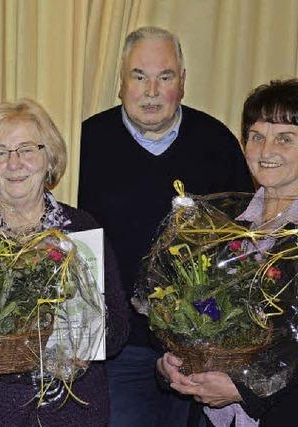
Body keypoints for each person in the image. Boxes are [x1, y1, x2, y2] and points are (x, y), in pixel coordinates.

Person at [77, 26, 254, 426]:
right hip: (120, 351)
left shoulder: (217, 142)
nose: (151, 90)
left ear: (183, 82)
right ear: (120, 83)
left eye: (165, 76)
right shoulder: (87, 142)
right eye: (139, 76)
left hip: (209, 348)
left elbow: (245, 244)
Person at [0, 99, 129, 426]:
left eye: (27, 149)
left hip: (68, 411)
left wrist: (85, 342)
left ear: (50, 158)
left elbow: (117, 325)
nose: (13, 164)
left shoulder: (80, 230)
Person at [158, 79, 298, 427]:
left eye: (285, 138)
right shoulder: (224, 229)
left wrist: (244, 390)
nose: (266, 150)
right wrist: (172, 363)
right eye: (256, 136)